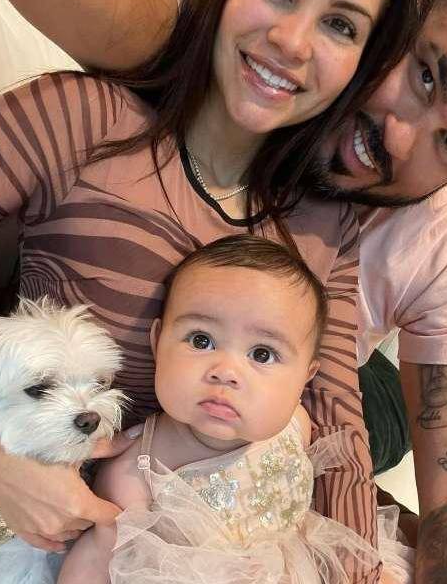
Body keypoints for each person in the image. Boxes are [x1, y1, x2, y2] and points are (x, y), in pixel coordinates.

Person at [0, 0, 447, 580]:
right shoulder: (83, 119)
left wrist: (355, 571)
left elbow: (337, 431)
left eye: (341, 25)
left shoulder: (325, 227)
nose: (292, 42)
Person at [59, 235, 380, 584]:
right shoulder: (134, 474)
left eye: (262, 354)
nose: (225, 371)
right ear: (158, 341)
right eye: (202, 340)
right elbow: (96, 559)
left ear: (305, 375)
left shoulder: (297, 427)